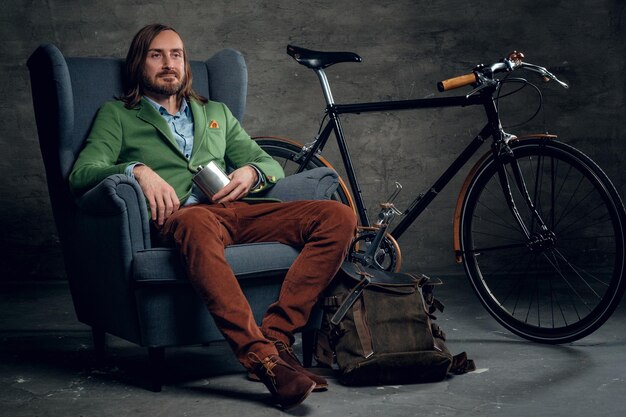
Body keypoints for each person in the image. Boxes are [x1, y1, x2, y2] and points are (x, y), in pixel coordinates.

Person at [69, 23, 356, 409]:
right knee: (195, 220)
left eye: (177, 54)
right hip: (182, 221)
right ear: (140, 63)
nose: (169, 63)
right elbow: (82, 173)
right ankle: (264, 360)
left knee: (337, 216)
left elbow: (266, 162)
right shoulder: (118, 115)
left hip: (236, 212)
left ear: (185, 64)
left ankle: (277, 335)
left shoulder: (215, 112)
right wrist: (136, 169)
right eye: (157, 55)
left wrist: (252, 172)